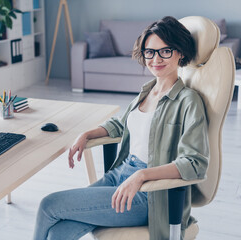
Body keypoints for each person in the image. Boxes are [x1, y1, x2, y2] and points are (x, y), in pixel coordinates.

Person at [33, 16, 209, 240]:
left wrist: (142, 175)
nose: (156, 59)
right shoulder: (148, 91)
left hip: (150, 194)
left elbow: (195, 163)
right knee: (58, 231)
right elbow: (121, 124)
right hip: (120, 175)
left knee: (49, 205)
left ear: (180, 52)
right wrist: (87, 134)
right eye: (150, 52)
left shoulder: (188, 100)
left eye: (166, 51)